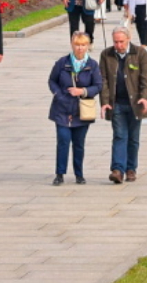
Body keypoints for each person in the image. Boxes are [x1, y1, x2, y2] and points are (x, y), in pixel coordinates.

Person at [99, 28, 147, 184]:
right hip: (116, 104)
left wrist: (145, 98)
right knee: (120, 135)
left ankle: (131, 169)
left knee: (133, 138)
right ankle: (117, 170)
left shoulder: (140, 54)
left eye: (121, 41)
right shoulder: (106, 54)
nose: (118, 45)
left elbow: (146, 79)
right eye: (115, 42)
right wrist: (105, 102)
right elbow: (103, 81)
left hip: (135, 104)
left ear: (128, 39)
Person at [48, 33, 102, 186]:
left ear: (88, 46)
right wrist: (59, 94)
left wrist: (82, 91)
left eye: (83, 45)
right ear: (72, 45)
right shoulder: (62, 63)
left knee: (79, 143)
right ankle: (60, 173)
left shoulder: (92, 65)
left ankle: (79, 173)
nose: (80, 48)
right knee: (63, 141)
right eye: (77, 44)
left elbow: (98, 86)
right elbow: (52, 80)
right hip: (62, 109)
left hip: (82, 111)